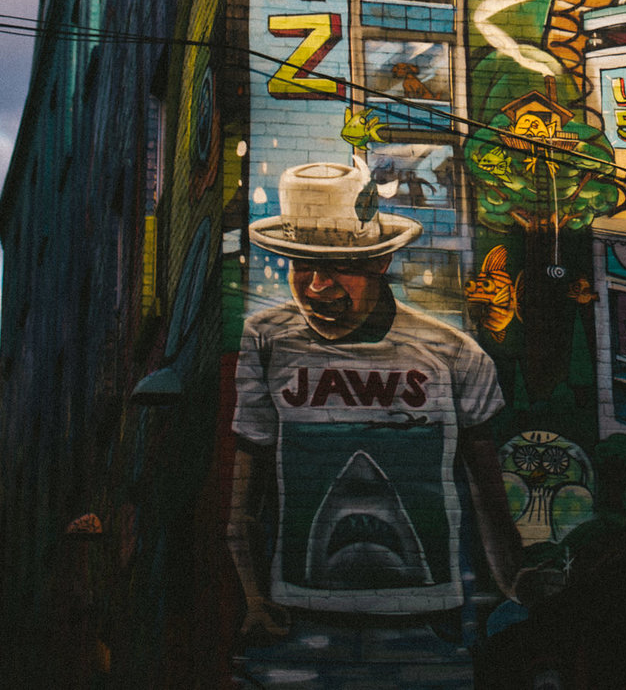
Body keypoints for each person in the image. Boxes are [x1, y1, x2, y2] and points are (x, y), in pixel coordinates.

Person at [229, 163, 540, 641]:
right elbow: (245, 499)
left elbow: (487, 499)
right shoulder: (267, 339)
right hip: (300, 616)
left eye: (339, 266)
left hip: (429, 617)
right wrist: (252, 600)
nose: (316, 286)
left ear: (380, 261)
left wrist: (517, 588)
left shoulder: (452, 354)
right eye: (303, 263)